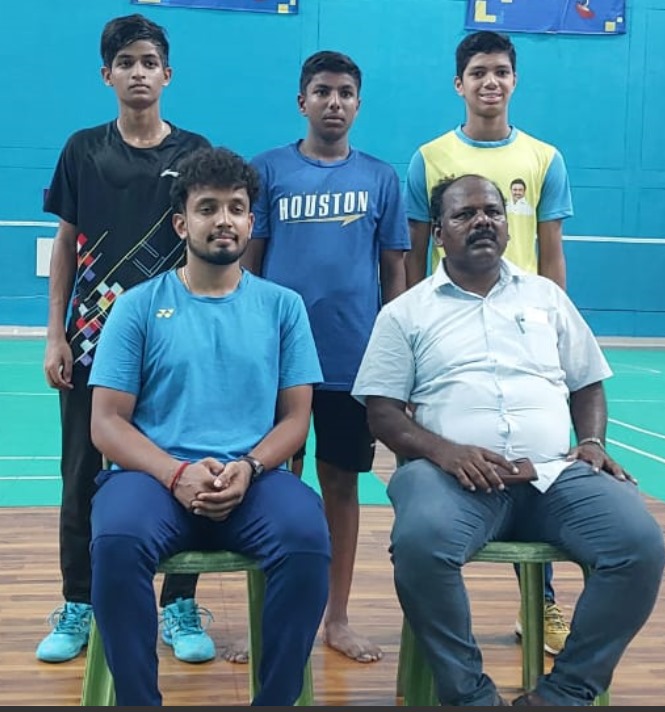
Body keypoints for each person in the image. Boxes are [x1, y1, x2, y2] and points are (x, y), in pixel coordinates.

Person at [352, 174, 665, 706]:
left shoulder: (547, 297)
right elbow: (382, 413)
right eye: (464, 214)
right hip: (453, 482)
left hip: (553, 475)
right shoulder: (406, 312)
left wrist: (591, 441)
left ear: (506, 224)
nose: (482, 221)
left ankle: (564, 693)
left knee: (639, 545)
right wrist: (445, 452)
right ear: (439, 234)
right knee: (421, 544)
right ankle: (470, 696)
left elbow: (587, 382)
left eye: (492, 212)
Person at [87, 145, 331, 706]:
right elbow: (107, 422)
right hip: (154, 479)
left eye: (236, 208)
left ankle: (274, 700)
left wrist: (249, 466)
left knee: (306, 539)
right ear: (182, 223)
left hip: (254, 480)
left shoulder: (283, 307)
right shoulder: (137, 307)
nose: (224, 220)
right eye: (208, 208)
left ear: (250, 221)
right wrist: (176, 474)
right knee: (117, 540)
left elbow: (296, 418)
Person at [39, 13, 216, 664]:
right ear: (106, 75)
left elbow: (210, 243)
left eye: (148, 62)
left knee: (183, 466)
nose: (137, 72)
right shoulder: (82, 150)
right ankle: (79, 601)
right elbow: (66, 244)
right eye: (125, 62)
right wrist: (55, 334)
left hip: (176, 344)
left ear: (167, 74)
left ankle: (178, 604)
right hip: (91, 342)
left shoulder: (195, 153)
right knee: (82, 474)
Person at [403, 29, 574, 654]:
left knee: (538, 465)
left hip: (524, 337)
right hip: (450, 338)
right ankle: (426, 607)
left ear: (514, 80)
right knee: (433, 471)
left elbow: (552, 255)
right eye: (478, 72)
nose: (490, 82)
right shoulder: (429, 158)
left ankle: (541, 604)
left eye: (500, 71)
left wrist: (556, 334)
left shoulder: (545, 159)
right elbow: (412, 257)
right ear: (459, 84)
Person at [241, 50, 409, 663]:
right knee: (270, 487)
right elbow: (249, 266)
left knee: (340, 484)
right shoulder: (268, 171)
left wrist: (399, 355)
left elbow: (395, 274)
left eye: (344, 93)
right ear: (302, 101)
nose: (333, 102)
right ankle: (269, 620)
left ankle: (336, 617)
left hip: (350, 363)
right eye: (322, 91)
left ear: (358, 105)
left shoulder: (381, 178)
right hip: (277, 363)